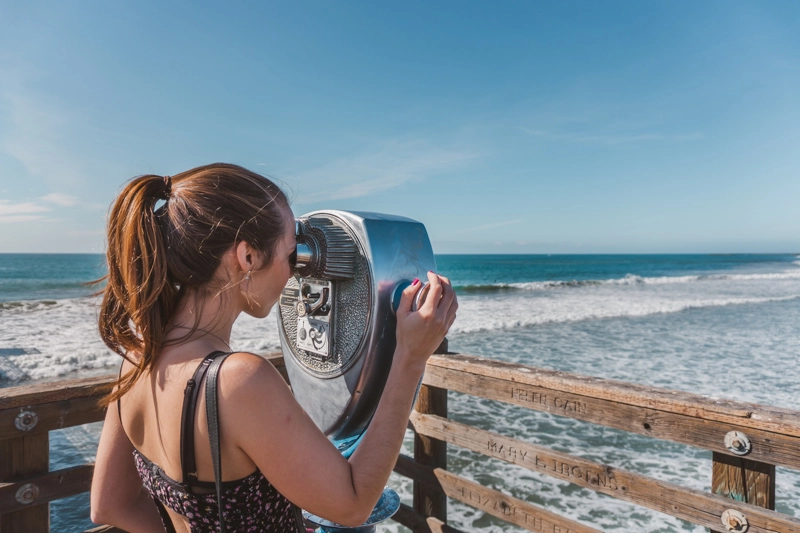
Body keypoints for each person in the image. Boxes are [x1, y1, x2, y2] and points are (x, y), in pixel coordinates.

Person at [90, 163, 457, 532]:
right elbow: (353, 506)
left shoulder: (136, 359)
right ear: (248, 257)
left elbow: (109, 505)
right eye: (290, 255)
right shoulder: (240, 382)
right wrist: (410, 358)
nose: (295, 273)